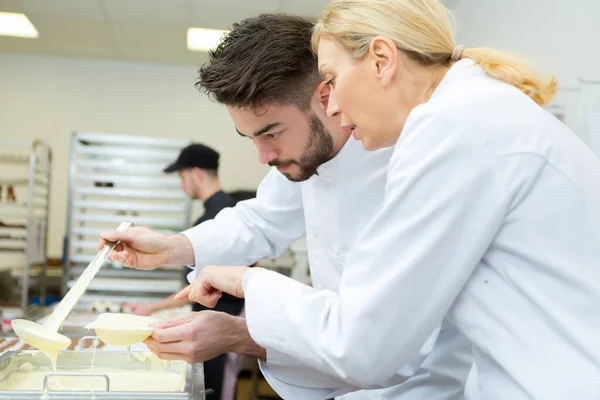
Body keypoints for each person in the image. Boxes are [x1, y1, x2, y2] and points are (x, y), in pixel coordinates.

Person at [175, 1, 600, 399]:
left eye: (334, 81)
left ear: (382, 60)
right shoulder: (473, 111)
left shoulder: (452, 128)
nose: (334, 106)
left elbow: (363, 343)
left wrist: (249, 283)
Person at [99, 14, 473, 400]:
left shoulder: (405, 160)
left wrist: (244, 327)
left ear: (327, 96)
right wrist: (170, 246)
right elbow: (260, 221)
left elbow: (383, 344)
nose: (263, 156)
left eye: (272, 132)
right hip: (347, 377)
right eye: (250, 138)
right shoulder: (305, 158)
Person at [122, 142, 249, 400]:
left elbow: (209, 283)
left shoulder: (219, 218)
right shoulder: (225, 212)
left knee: (218, 393)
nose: (182, 185)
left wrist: (152, 308)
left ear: (197, 174)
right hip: (214, 321)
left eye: (182, 177)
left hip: (223, 324)